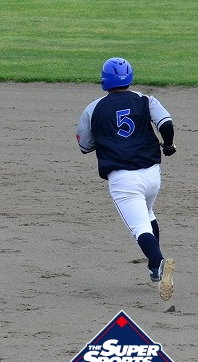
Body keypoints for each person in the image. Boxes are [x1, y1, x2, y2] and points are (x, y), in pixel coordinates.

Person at [76, 57, 177, 301]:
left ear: (104, 80)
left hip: (124, 180)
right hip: (152, 175)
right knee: (148, 213)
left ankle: (158, 262)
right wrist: (168, 145)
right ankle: (153, 268)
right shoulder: (146, 100)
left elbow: (85, 145)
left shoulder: (93, 108)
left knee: (139, 228)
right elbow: (166, 123)